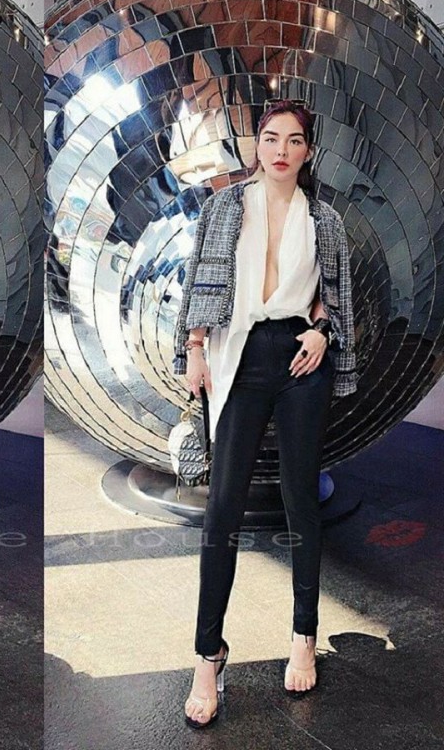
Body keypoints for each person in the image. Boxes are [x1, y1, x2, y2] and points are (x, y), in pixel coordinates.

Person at [172, 100, 358, 729]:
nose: (281, 150)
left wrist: (323, 334)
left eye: (294, 140)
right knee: (222, 508)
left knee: (300, 497)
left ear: (308, 151)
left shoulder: (324, 219)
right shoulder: (225, 207)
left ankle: (304, 635)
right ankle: (208, 653)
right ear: (257, 145)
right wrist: (195, 349)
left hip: (300, 356)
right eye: (271, 138)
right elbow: (200, 281)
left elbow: (334, 295)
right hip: (238, 356)